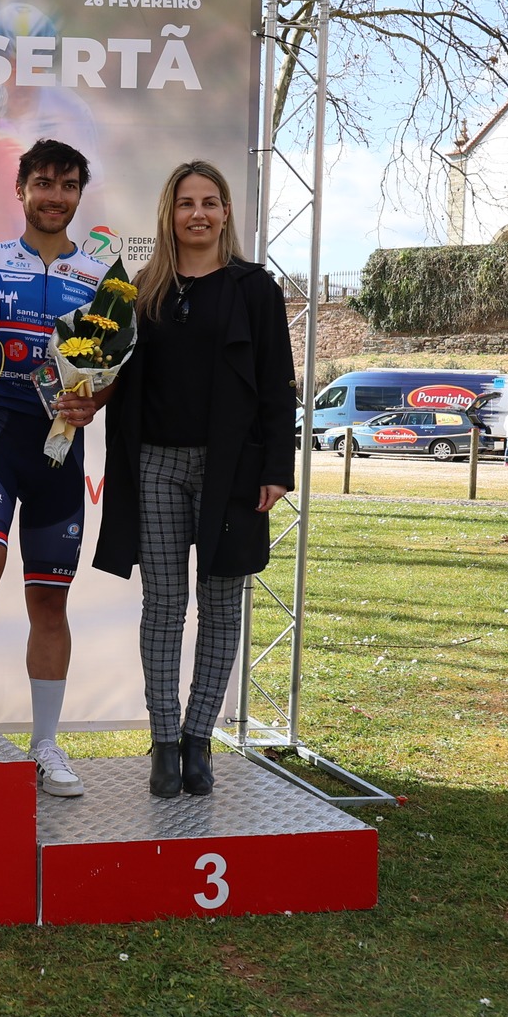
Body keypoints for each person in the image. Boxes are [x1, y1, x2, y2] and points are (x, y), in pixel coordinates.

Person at [91, 160, 295, 799]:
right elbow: (112, 376)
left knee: (222, 603)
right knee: (164, 605)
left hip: (231, 470)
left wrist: (277, 467)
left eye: (210, 202)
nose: (198, 214)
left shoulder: (255, 289)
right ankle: (163, 741)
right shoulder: (140, 289)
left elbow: (276, 383)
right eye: (186, 203)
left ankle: (198, 737)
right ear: (169, 213)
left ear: (226, 212)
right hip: (155, 463)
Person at [0, 140, 105, 799]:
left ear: (78, 195)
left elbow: (115, 364)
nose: (54, 196)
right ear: (20, 189)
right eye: (43, 183)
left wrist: (95, 400)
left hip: (60, 453)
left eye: (67, 185)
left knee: (49, 599)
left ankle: (45, 743)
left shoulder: (99, 275)